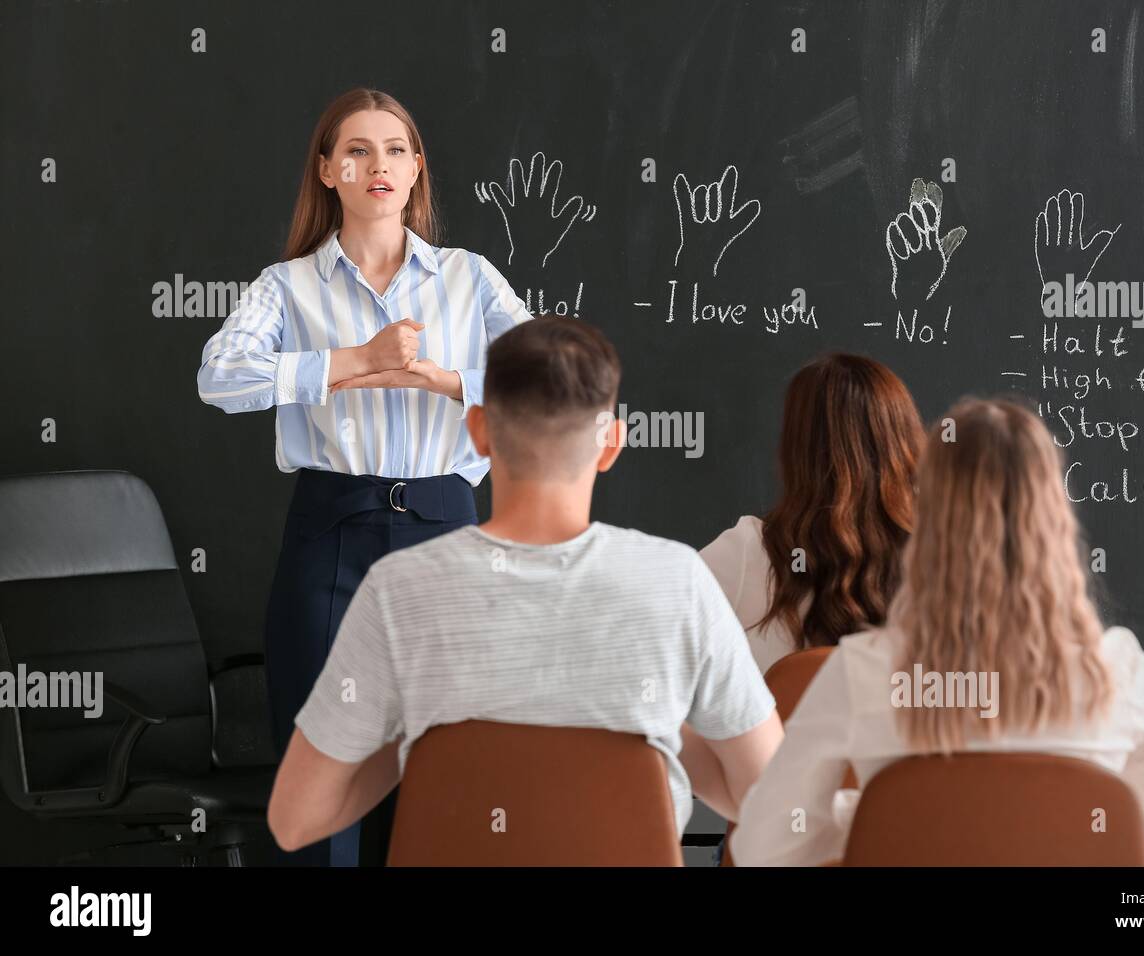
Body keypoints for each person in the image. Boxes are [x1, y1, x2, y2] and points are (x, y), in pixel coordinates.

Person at [266, 317, 784, 856]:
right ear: (611, 444)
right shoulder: (679, 582)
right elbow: (773, 798)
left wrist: (414, 744)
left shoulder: (398, 590)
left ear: (479, 432)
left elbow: (297, 819)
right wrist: (655, 737)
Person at [196, 88, 532, 866]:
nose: (376, 164)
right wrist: (358, 364)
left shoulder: (469, 278)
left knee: (447, 782)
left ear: (417, 169)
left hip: (447, 531)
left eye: (394, 149)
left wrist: (446, 381)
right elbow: (219, 377)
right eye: (356, 149)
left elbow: (551, 384)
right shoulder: (287, 286)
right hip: (329, 540)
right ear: (326, 171)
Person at [731, 397, 1144, 866]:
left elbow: (763, 848)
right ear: (1054, 523)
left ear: (928, 522)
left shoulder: (861, 671)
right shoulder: (1114, 667)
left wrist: (874, 817)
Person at [700, 354, 924, 674]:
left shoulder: (743, 555)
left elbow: (646, 651)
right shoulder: (951, 567)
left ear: (796, 449)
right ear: (906, 442)